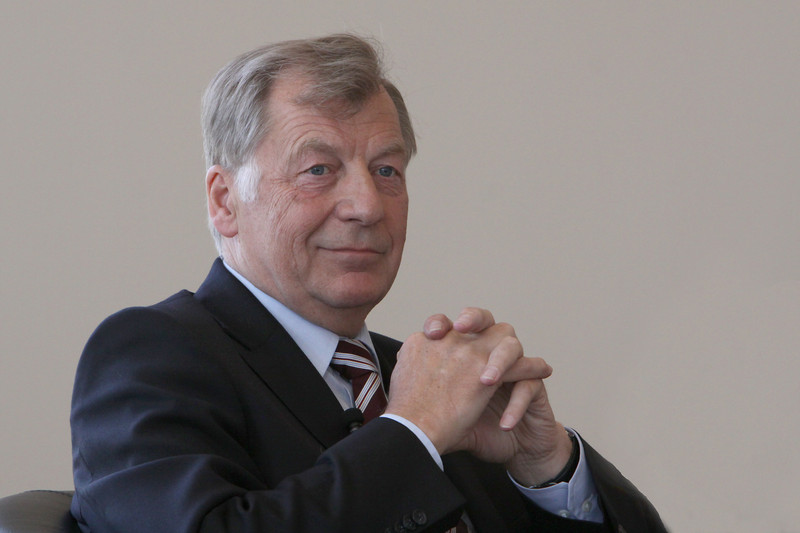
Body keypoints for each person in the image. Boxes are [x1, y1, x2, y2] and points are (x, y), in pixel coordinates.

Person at [70, 34, 665, 532]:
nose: (367, 205)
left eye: (386, 170)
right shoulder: (151, 354)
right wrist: (412, 431)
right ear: (225, 201)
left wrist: (549, 467)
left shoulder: (418, 379)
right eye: (318, 169)